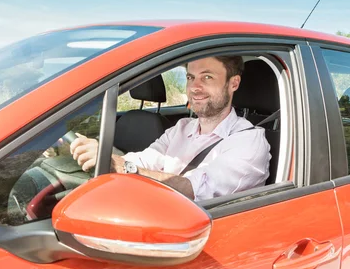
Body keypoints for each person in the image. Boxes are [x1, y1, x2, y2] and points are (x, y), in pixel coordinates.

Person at [69, 55, 271, 201]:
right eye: (191, 77)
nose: (194, 87)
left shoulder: (248, 141)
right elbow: (147, 159)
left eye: (207, 77)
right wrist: (105, 157)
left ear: (233, 83)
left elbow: (197, 189)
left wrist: (123, 167)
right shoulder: (182, 127)